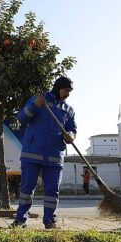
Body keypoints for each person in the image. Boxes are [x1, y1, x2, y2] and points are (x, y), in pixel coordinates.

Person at [10, 76, 77, 229]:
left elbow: (73, 129)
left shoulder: (69, 110)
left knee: (52, 191)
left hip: (55, 156)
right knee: (27, 189)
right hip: (32, 153)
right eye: (66, 90)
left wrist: (71, 136)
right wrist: (35, 105)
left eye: (69, 91)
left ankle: (50, 221)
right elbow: (21, 118)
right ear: (58, 88)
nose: (68, 94)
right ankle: (20, 220)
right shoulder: (39, 100)